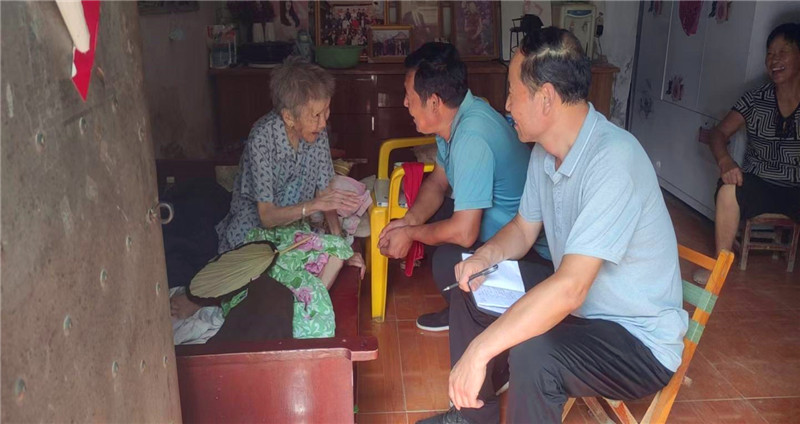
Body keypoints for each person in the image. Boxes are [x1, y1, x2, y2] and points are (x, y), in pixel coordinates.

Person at [417, 28, 687, 424]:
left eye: (512, 93)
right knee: (473, 288)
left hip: (636, 340)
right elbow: (523, 229)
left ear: (545, 98)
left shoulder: (613, 160)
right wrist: (483, 258)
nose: (507, 105)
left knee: (535, 354)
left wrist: (480, 350)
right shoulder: (545, 154)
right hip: (585, 310)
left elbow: (571, 288)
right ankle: (473, 418)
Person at [171, 57, 365, 323]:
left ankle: (304, 308)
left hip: (295, 227)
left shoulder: (317, 134)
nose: (323, 123)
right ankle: (204, 298)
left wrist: (339, 241)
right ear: (289, 117)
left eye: (326, 111)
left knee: (335, 256)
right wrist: (314, 206)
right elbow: (267, 216)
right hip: (255, 229)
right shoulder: (262, 138)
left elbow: (325, 193)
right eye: (316, 115)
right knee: (254, 273)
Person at [378, 42, 549, 333]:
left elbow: (465, 232)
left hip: (529, 252)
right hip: (500, 233)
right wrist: (408, 222)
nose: (405, 103)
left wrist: (410, 234)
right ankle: (464, 306)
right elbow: (437, 182)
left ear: (434, 102)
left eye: (409, 96)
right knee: (434, 215)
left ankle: (472, 313)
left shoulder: (471, 137)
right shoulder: (459, 118)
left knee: (447, 259)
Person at [694, 23, 800, 284]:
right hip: (759, 183)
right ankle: (719, 266)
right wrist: (725, 161)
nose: (774, 60)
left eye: (782, 52)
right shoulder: (755, 99)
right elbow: (718, 133)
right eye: (769, 53)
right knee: (728, 188)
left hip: (796, 187)